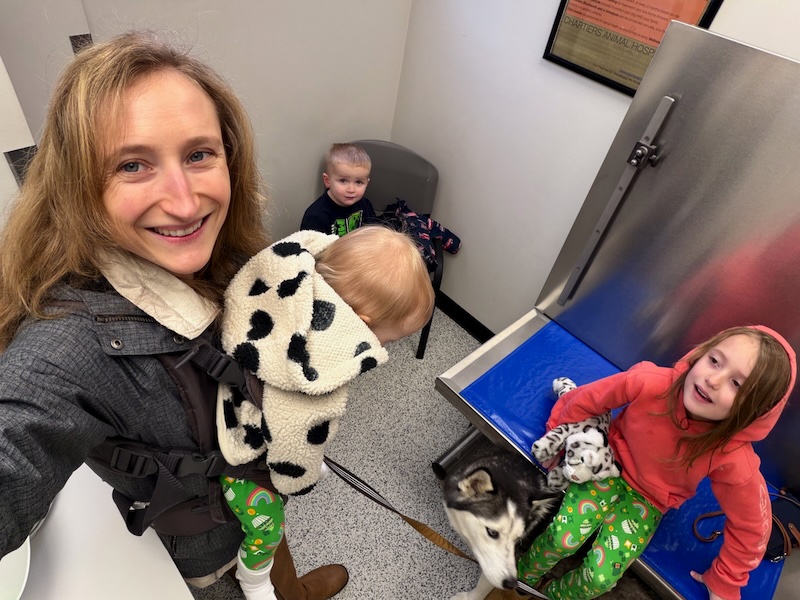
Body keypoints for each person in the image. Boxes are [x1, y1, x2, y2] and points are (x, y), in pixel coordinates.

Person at [0, 31, 345, 599]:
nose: (185, 203)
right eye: (133, 165)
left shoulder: (232, 256)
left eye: (198, 154)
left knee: (271, 543)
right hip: (206, 547)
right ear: (77, 186)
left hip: (260, 491)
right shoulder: (69, 343)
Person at [493, 325, 796, 600]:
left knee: (599, 579)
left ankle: (549, 594)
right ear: (702, 353)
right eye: (714, 361)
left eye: (737, 384)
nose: (713, 380)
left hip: (647, 502)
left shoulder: (733, 455)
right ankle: (521, 583)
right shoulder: (651, 382)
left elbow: (752, 525)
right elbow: (587, 398)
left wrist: (726, 579)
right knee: (561, 538)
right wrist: (557, 437)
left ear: (754, 410)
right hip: (609, 467)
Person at [216, 225, 435, 600]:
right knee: (268, 526)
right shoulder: (314, 372)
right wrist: (304, 475)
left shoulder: (294, 275)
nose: (386, 346)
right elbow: (294, 438)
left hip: (233, 395)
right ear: (363, 322)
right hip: (239, 454)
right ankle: (254, 582)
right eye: (390, 339)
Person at [300, 143, 377, 236]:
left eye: (359, 182)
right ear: (327, 181)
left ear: (367, 183)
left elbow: (373, 234)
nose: (351, 189)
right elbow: (312, 244)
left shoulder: (364, 204)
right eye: (343, 181)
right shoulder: (316, 216)